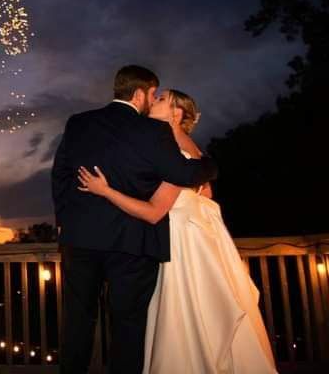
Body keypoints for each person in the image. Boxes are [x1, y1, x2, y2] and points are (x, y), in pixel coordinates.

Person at [77, 89, 277, 373]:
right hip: (198, 241)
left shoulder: (176, 154)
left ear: (176, 113)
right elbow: (206, 194)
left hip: (181, 247)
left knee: (183, 317)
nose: (153, 100)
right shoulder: (192, 150)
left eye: (160, 99)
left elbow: (153, 211)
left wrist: (105, 191)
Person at [51, 65, 218, 374]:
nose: (153, 99)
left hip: (80, 239)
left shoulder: (78, 123)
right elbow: (185, 174)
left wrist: (63, 219)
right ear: (140, 93)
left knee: (77, 319)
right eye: (153, 93)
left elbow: (60, 172)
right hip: (132, 240)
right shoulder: (152, 131)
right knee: (127, 325)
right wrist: (211, 164)